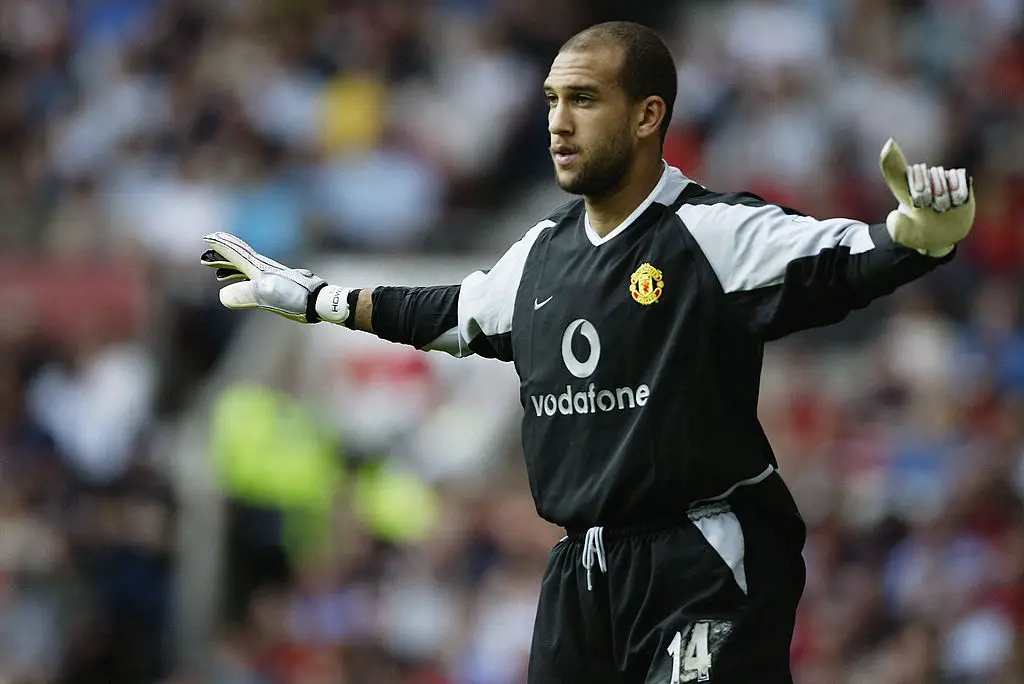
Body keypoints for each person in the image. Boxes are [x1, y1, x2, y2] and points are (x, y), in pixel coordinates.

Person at [201, 21, 975, 684]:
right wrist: (311, 300)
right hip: (582, 573)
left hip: (702, 557)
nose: (557, 123)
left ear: (647, 115)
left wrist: (921, 233)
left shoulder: (711, 232)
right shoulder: (540, 256)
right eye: (550, 102)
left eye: (583, 99)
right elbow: (445, 312)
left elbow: (848, 259)